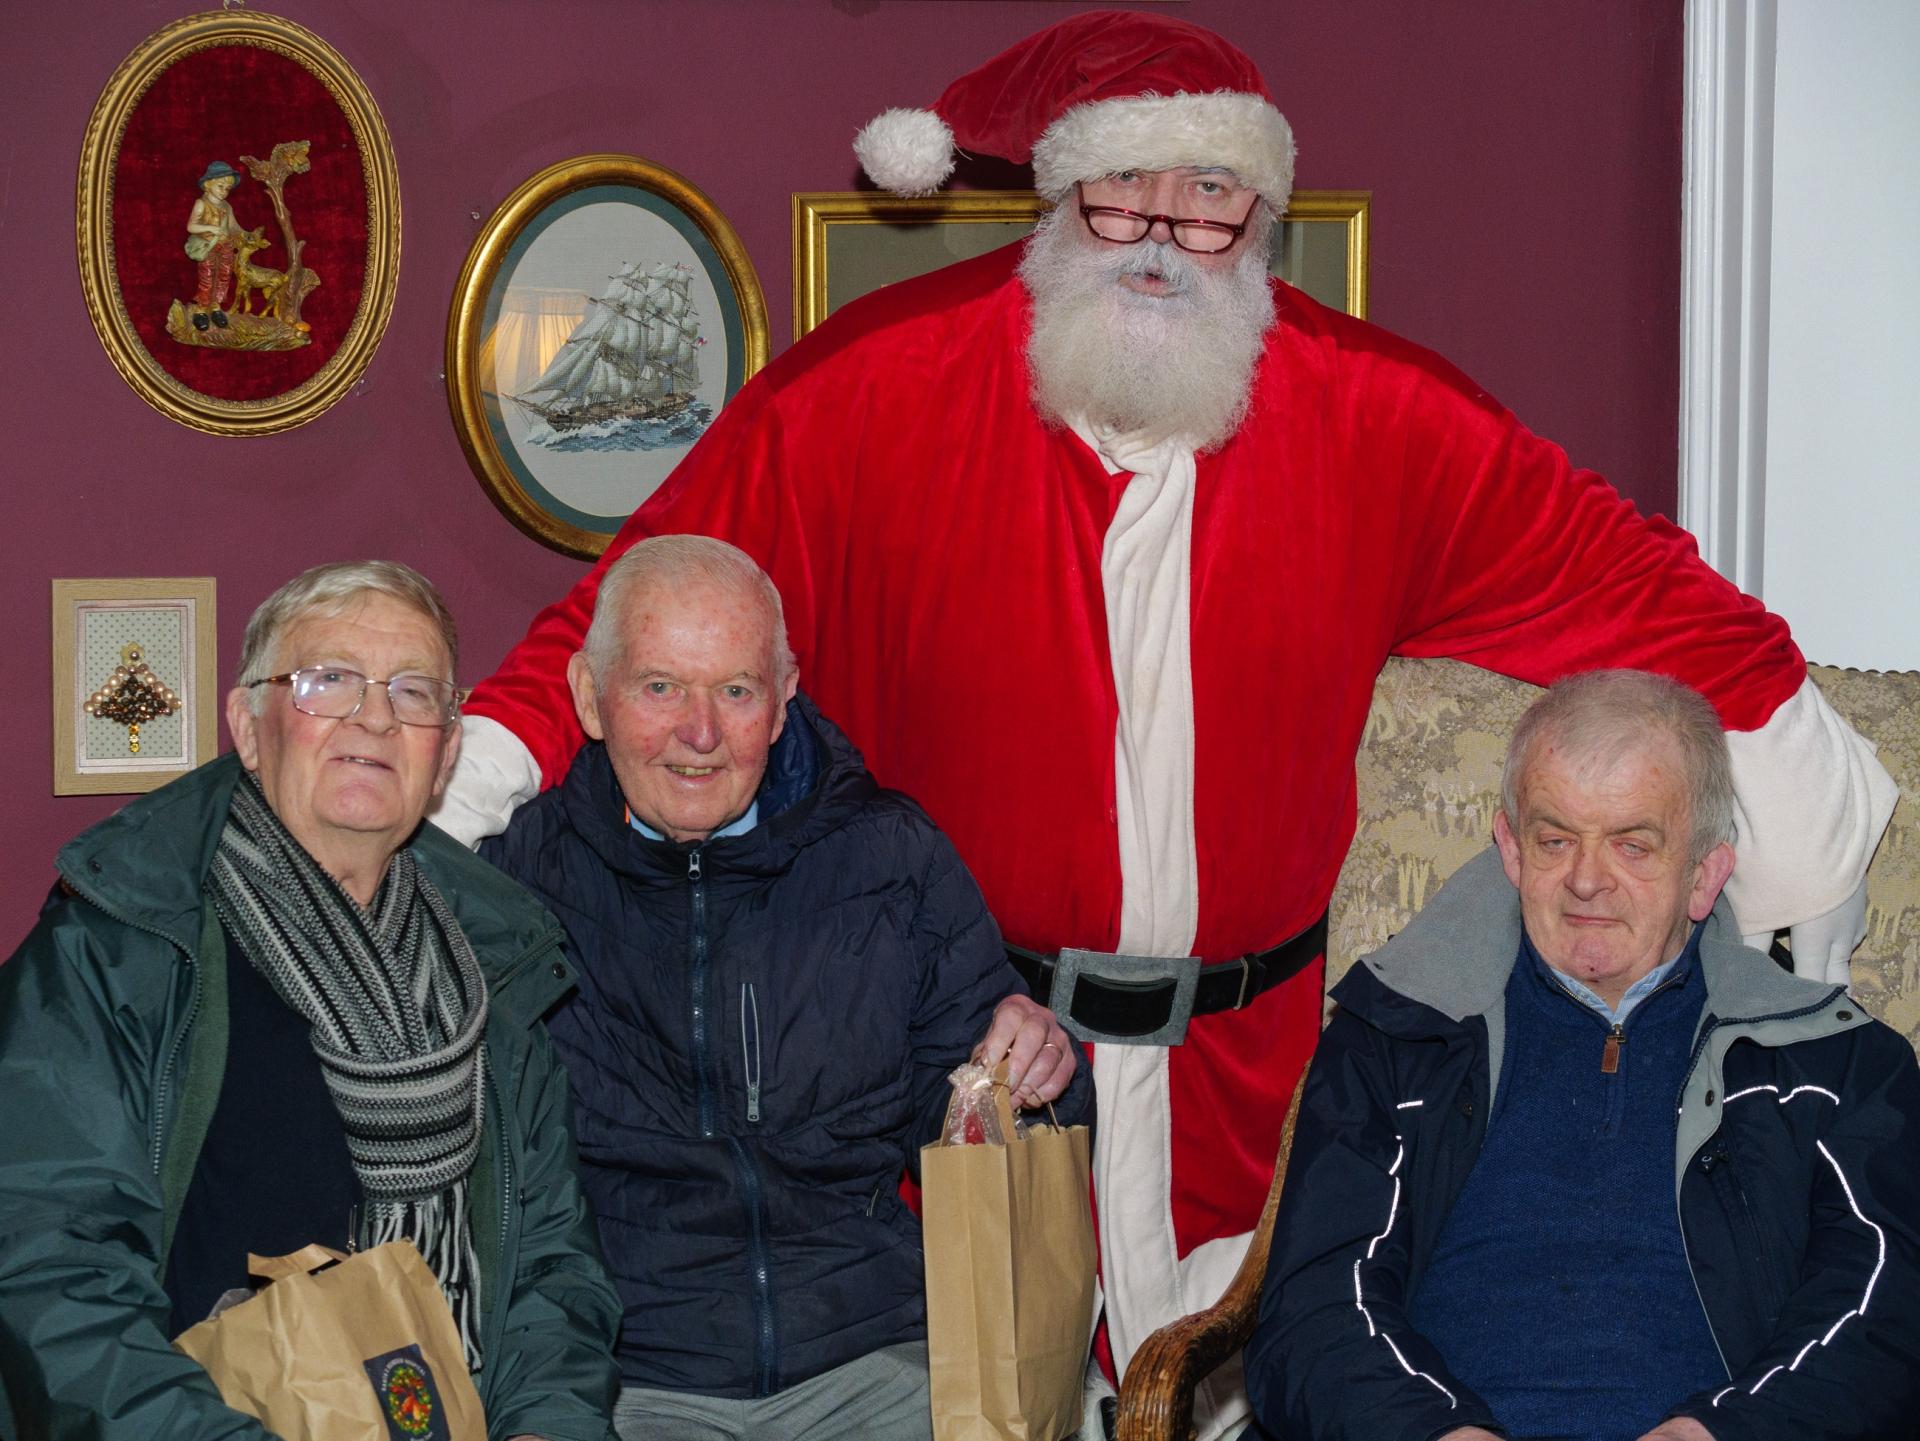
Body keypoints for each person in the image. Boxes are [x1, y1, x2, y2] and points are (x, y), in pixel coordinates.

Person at [434, 13, 1896, 1434]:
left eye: (1208, 198)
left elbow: (1618, 575)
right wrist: (449, 812)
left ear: (1259, 217)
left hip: (1249, 1078)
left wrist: (1789, 772)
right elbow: (635, 615)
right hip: (971, 1073)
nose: (1158, 231)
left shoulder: (1368, 415)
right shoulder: (876, 389)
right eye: (1124, 185)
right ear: (1059, 195)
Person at [478, 535, 1093, 1441]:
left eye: (735, 690)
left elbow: (993, 1109)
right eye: (659, 687)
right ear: (587, 698)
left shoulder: (890, 858)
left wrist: (1032, 1065)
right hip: (629, 1377)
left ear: (782, 699)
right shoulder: (516, 887)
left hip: (880, 1358)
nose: (699, 732)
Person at [0, 562, 621, 1441]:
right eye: (326, 680)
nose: (374, 715)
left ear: (445, 750)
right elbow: (49, 1270)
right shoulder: (114, 946)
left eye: (413, 692)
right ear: (248, 727)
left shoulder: (501, 967)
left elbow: (553, 1271)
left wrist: (545, 1426)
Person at [1245, 670, 1920, 1441]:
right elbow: (1314, 1306)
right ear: (1510, 848)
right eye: (1555, 838)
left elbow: (1884, 1309)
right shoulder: (1395, 1034)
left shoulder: (1835, 1063)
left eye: (1633, 844)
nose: (1587, 879)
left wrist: (1716, 1434)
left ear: (1705, 875)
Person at [185, 160, 245, 329]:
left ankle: (216, 307)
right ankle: (201, 310)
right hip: (208, 246)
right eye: (220, 186)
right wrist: (211, 227)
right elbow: (191, 226)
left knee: (224, 275)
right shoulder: (201, 204)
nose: (224, 192)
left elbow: (233, 227)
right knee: (207, 277)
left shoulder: (227, 206)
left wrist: (248, 236)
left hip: (225, 247)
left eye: (227, 188)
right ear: (208, 184)